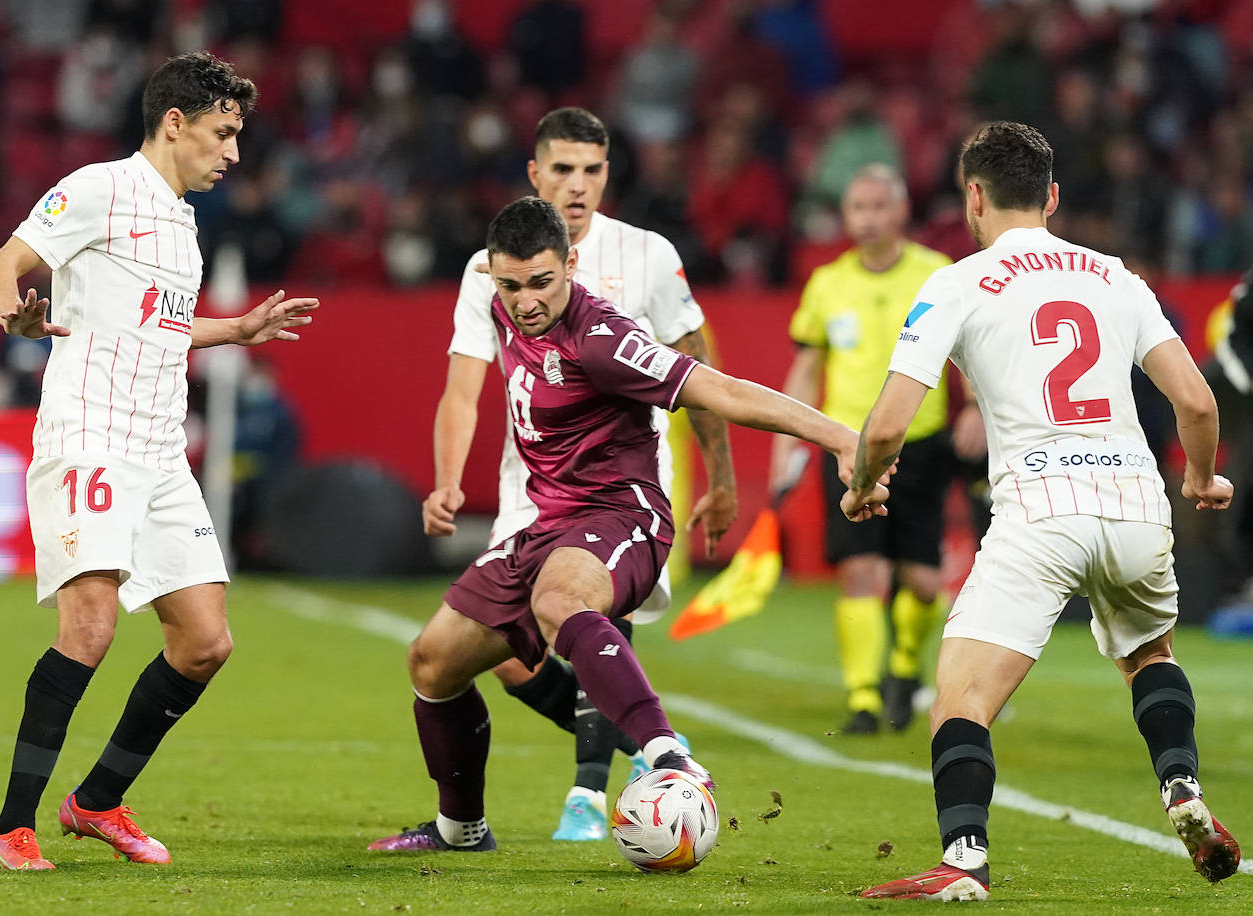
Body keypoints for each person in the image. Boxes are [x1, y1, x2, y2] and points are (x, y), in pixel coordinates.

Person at [370, 196, 884, 854]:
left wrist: (842, 439)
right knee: (433, 661)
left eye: (540, 282)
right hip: (547, 521)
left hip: (621, 514)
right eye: (510, 285)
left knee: (560, 601)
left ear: (571, 265)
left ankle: (668, 756)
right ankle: (461, 829)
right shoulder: (502, 302)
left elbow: (720, 389)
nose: (526, 301)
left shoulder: (602, 339)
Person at [843, 121, 1240, 901]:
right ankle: (1182, 786)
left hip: (1039, 506)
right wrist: (1200, 478)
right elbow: (1196, 400)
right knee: (1149, 656)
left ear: (974, 197)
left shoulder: (957, 283)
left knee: (962, 698)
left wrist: (862, 483)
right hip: (1133, 501)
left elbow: (887, 426)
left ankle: (964, 858)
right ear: (1051, 196)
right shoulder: (1116, 278)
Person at [0, 51, 318, 871]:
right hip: (90, 435)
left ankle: (97, 802)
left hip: (161, 452)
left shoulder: (183, 221)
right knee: (90, 627)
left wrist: (234, 330)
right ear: (174, 122)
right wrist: (14, 318)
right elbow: (0, 268)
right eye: (222, 132)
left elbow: (158, 324)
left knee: (204, 641)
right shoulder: (99, 188)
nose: (233, 152)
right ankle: (10, 829)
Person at [430, 107, 737, 842]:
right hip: (530, 483)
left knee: (583, 612)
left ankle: (589, 794)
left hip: (617, 484)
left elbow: (699, 368)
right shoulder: (492, 268)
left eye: (592, 170)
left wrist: (721, 476)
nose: (578, 185)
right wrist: (448, 478)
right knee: (503, 660)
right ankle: (651, 745)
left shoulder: (648, 256)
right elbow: (463, 387)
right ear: (535, 173)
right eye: (563, 169)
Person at [770, 164, 968, 734]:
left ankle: (903, 666)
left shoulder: (937, 274)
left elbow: (968, 352)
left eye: (880, 206)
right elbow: (807, 369)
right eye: (858, 207)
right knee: (859, 570)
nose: (868, 218)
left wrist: (977, 408)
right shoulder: (827, 284)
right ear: (846, 215)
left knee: (923, 582)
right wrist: (789, 438)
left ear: (902, 211)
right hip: (848, 448)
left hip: (921, 443)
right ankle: (863, 698)